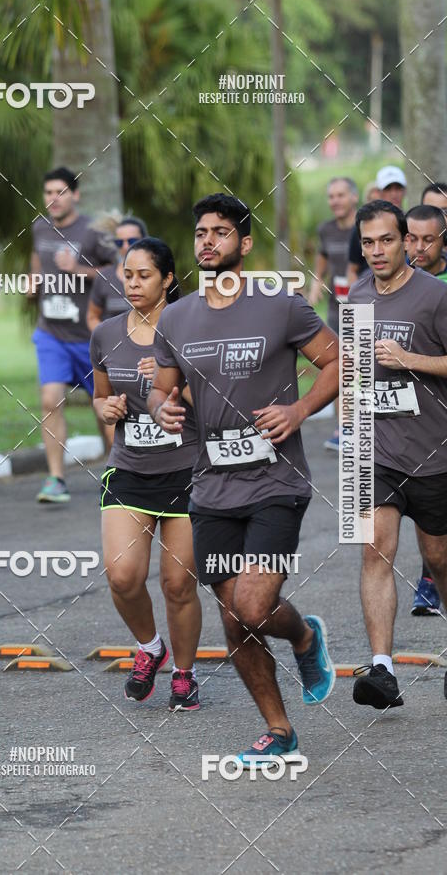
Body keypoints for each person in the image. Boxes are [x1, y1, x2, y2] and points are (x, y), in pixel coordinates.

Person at [149, 193, 339, 761]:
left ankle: (304, 637)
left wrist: (299, 411)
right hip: (211, 486)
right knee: (236, 620)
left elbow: (337, 361)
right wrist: (163, 407)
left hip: (276, 482)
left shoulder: (280, 305)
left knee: (253, 608)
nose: (208, 241)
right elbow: (163, 386)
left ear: (245, 243)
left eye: (222, 232)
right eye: (201, 232)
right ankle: (279, 730)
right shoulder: (177, 317)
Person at [90, 237, 202, 710]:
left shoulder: (192, 328)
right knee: (122, 577)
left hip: (188, 472)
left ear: (168, 279)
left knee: (178, 584)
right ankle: (150, 646)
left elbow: (221, 401)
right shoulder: (106, 334)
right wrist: (108, 407)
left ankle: (184, 673)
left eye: (144, 275)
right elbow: (98, 397)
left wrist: (170, 379)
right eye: (128, 274)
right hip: (130, 469)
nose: (133, 283)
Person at [348, 200, 447, 708]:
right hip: (376, 451)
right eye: (368, 242)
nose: (378, 251)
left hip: (434, 453)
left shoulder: (435, 296)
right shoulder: (357, 294)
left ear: (407, 241)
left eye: (388, 240)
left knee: (438, 557)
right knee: (375, 550)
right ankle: (383, 670)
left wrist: (410, 360)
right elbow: (352, 366)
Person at [28, 166, 117, 503]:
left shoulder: (93, 231)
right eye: (49, 192)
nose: (53, 198)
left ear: (75, 195)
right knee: (50, 401)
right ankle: (55, 480)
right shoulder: (40, 227)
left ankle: (115, 472)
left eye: (60, 192)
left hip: (91, 336)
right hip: (51, 333)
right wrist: (33, 283)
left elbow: (118, 271)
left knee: (103, 408)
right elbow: (37, 259)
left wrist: (78, 270)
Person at [403, 205, 447, 615]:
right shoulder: (389, 286)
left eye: (427, 239)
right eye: (411, 238)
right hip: (410, 434)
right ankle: (428, 581)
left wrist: (409, 359)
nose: (418, 247)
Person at [309, 177, 358, 451]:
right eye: (331, 196)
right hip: (337, 311)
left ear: (354, 197)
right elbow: (323, 254)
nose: (335, 201)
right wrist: (317, 280)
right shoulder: (326, 229)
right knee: (342, 367)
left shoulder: (366, 226)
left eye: (340, 195)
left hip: (365, 308)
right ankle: (344, 430)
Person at [346, 165, 408, 287]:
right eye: (388, 189)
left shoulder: (412, 223)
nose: (394, 194)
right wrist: (357, 301)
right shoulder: (363, 225)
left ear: (405, 191)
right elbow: (352, 270)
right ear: (378, 192)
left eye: (398, 188)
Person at [87, 216, 148, 330]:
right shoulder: (104, 277)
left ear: (145, 240)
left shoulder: (160, 275)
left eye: (132, 241)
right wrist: (105, 339)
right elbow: (92, 317)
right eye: (120, 242)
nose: (125, 247)